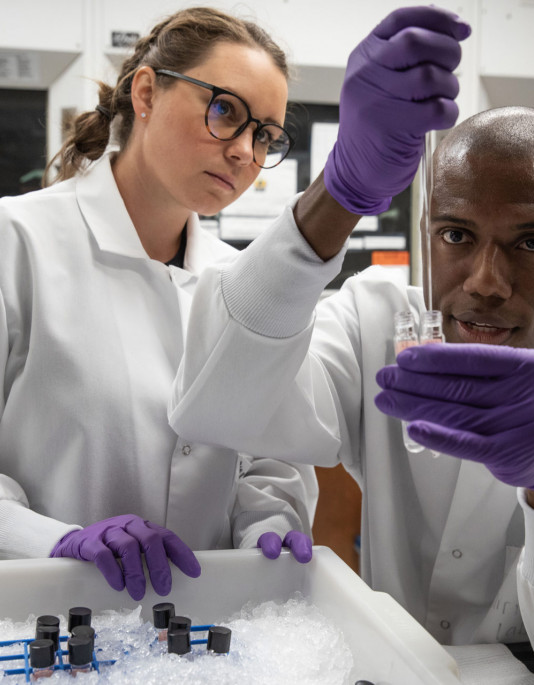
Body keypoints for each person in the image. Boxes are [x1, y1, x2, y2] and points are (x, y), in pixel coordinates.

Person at [167, 5, 534, 684]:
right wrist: (340, 191)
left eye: (531, 241)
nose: (485, 283)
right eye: (456, 235)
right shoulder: (377, 321)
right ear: (424, 228)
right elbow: (215, 407)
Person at [0, 6, 316, 603]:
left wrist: (268, 523)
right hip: (36, 622)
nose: (247, 152)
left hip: (205, 629)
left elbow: (267, 460)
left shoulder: (241, 279)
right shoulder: (16, 243)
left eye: (266, 135)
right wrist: (54, 540)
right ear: (146, 92)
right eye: (226, 111)